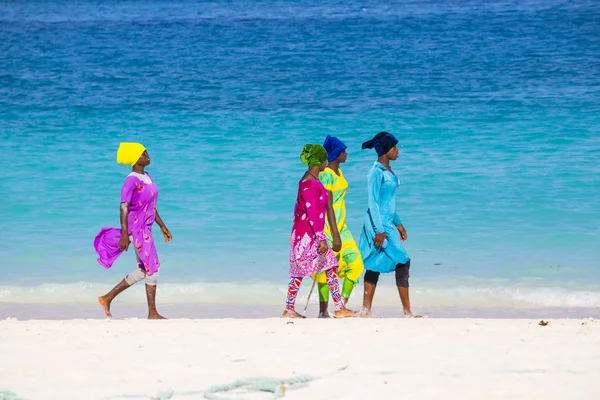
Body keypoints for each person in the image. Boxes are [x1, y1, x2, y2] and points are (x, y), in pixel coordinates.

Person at [94, 142, 172, 319]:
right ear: (135, 159)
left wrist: (162, 226)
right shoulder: (131, 180)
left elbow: (150, 206)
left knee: (144, 269)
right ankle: (152, 312)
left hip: (147, 227)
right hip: (136, 229)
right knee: (152, 268)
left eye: (147, 152)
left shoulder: (147, 177)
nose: (148, 155)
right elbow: (124, 206)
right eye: (144, 153)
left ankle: (107, 298)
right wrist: (124, 234)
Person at [283, 144, 357, 319]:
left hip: (303, 235)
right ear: (319, 161)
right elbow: (313, 213)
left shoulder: (308, 181)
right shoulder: (309, 185)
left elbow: (297, 210)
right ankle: (291, 309)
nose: (326, 162)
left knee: (318, 268)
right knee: (307, 270)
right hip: (308, 237)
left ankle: (336, 307)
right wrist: (321, 238)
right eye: (324, 159)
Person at [359, 132, 420, 318]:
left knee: (375, 264)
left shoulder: (390, 171)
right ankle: (407, 311)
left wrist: (399, 224)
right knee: (403, 261)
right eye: (395, 147)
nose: (398, 150)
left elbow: (389, 203)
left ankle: (366, 311)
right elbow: (373, 203)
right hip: (378, 225)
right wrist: (379, 231)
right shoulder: (376, 172)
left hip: (388, 223)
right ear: (386, 150)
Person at [313, 135, 365, 318]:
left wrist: (339, 231)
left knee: (355, 263)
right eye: (343, 150)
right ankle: (323, 311)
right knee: (326, 270)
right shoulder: (326, 175)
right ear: (335, 154)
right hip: (329, 228)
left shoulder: (339, 173)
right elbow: (327, 206)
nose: (346, 153)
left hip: (342, 227)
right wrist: (334, 234)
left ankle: (341, 306)